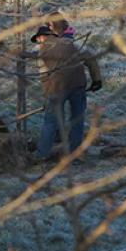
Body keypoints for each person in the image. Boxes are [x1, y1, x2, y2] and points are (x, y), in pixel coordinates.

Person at [32, 13, 103, 161]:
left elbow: (44, 75)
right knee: (77, 120)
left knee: (50, 121)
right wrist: (96, 80)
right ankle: (74, 154)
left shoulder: (42, 51)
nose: (38, 40)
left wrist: (47, 96)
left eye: (39, 38)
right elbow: (90, 58)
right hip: (78, 85)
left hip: (57, 88)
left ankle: (41, 155)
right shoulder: (73, 43)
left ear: (47, 33)